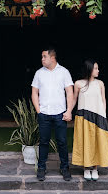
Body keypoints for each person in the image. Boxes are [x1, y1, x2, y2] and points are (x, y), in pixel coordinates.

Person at [31, 46, 74, 181]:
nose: (42, 59)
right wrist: (39, 111)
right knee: (43, 142)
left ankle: (65, 168)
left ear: (52, 58)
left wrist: (68, 111)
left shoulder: (64, 72)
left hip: (60, 114)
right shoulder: (39, 73)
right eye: (42, 57)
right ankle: (41, 168)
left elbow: (69, 92)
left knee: (62, 142)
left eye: (44, 56)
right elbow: (34, 92)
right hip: (44, 114)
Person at [71, 59, 108, 181]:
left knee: (96, 142)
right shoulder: (78, 83)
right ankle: (86, 168)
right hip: (83, 117)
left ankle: (94, 168)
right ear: (89, 69)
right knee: (85, 141)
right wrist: (68, 111)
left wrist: (103, 115)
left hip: (98, 117)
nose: (98, 70)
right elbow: (74, 99)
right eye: (95, 68)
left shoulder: (100, 83)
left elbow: (103, 100)